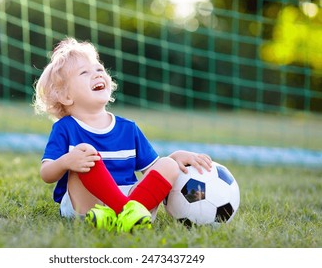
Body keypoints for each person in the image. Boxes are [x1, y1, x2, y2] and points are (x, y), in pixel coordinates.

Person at [33, 37, 212, 233]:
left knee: (168, 164)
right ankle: (127, 213)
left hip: (134, 198)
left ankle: (126, 213)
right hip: (90, 205)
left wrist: (174, 158)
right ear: (66, 96)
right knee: (85, 153)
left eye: (99, 69)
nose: (97, 74)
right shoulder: (65, 128)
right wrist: (67, 161)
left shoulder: (128, 128)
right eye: (84, 72)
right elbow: (46, 173)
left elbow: (151, 172)